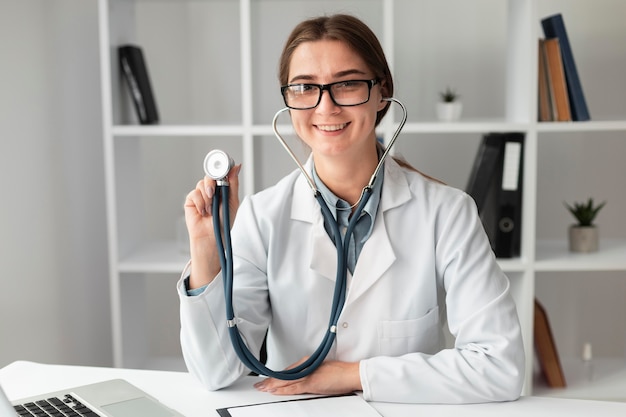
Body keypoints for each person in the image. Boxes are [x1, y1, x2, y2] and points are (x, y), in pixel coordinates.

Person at [177, 13, 525, 404]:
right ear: (289, 100)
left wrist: (351, 375)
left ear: (382, 92)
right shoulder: (263, 217)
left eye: (347, 84)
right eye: (306, 87)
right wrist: (208, 254)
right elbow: (215, 372)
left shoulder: (447, 213)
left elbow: (501, 367)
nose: (325, 107)